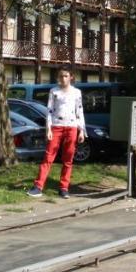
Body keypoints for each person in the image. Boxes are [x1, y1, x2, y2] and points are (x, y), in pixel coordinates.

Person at [27, 69, 86, 199]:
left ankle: (64, 188)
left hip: (72, 127)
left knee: (68, 159)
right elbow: (49, 111)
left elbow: (79, 111)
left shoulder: (77, 92)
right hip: (56, 127)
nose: (63, 78)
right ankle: (38, 186)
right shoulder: (54, 91)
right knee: (48, 157)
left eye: (66, 76)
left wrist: (81, 130)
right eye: (61, 76)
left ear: (71, 77)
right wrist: (48, 129)